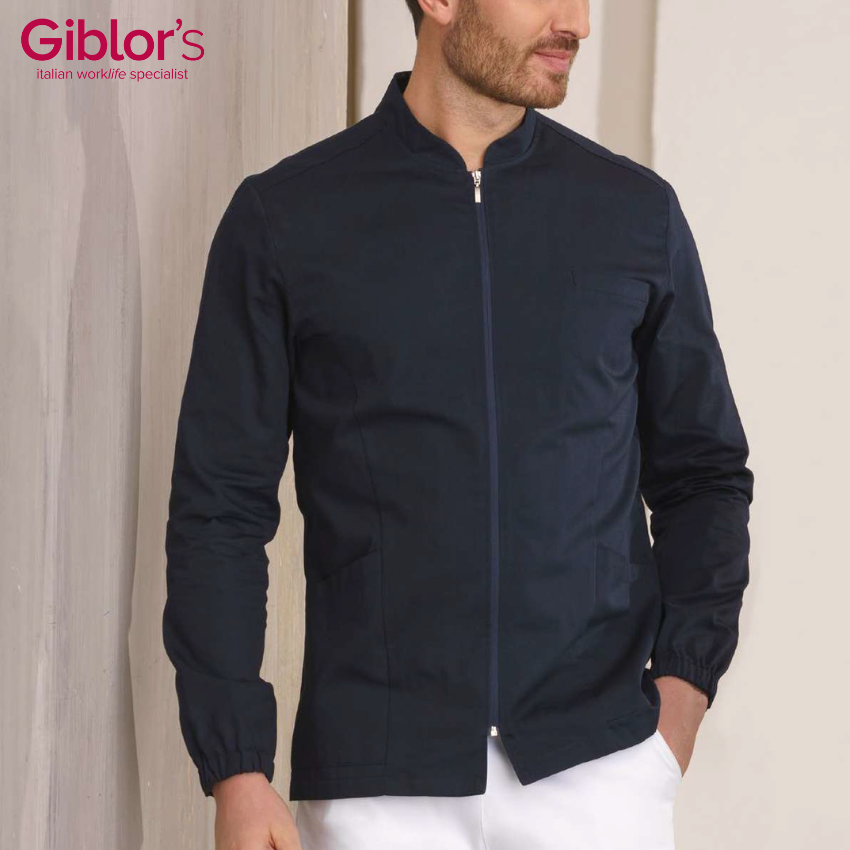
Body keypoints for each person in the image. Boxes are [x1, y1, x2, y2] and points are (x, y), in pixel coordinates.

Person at [162, 0, 755, 847]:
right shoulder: (288, 218)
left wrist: (683, 694)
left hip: (598, 771)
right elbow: (220, 505)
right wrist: (237, 767)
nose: (577, 23)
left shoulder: (633, 213)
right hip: (377, 785)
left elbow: (704, 475)